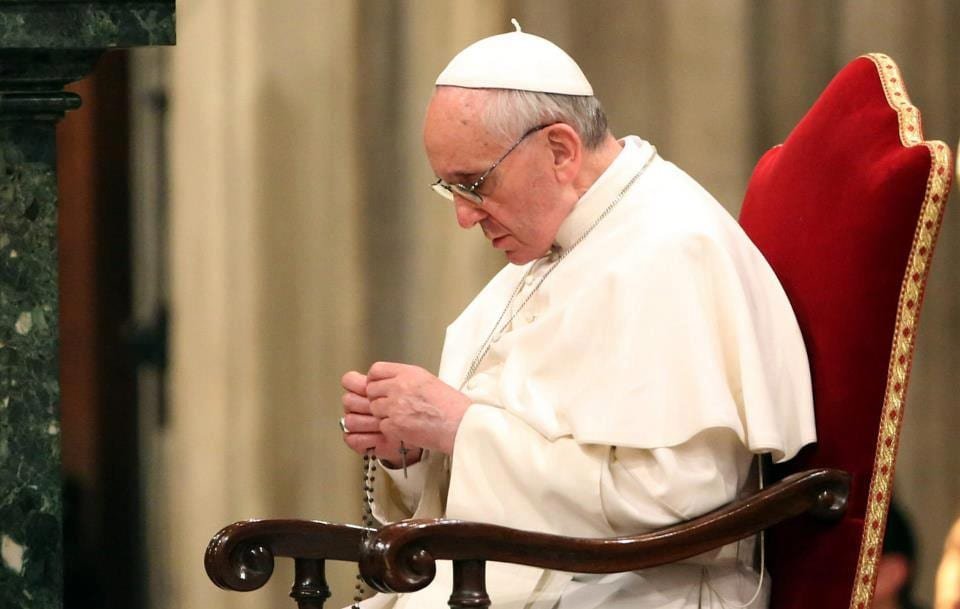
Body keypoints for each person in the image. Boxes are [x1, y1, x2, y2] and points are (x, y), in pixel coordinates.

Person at [340, 21, 816, 609]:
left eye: (475, 184)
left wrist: (460, 427)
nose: (465, 217)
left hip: (638, 589)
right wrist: (412, 451)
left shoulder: (671, 247)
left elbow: (674, 497)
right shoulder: (556, 248)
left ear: (560, 150)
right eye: (451, 189)